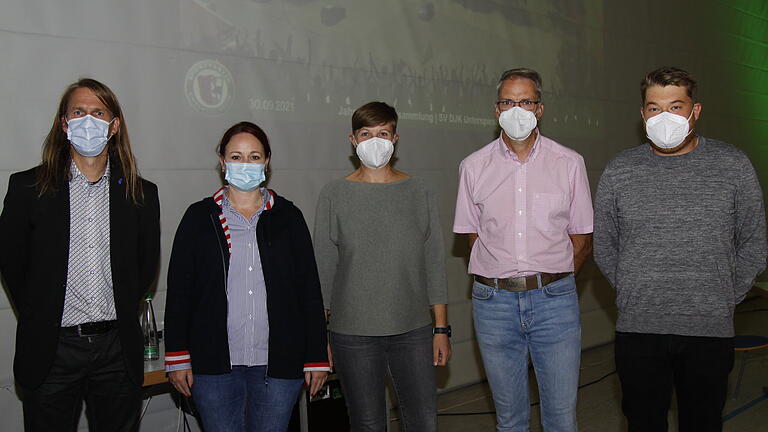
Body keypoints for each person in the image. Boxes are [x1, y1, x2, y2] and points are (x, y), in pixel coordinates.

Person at [593, 66, 767, 431]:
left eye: (675, 106)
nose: (664, 117)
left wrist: (724, 296)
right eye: (654, 108)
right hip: (640, 328)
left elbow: (754, 240)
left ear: (695, 110)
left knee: (703, 422)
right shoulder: (620, 170)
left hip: (709, 327)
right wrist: (631, 288)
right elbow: (605, 243)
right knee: (643, 422)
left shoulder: (732, 165)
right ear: (642, 114)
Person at [0, 78, 160, 431]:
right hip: (52, 349)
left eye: (99, 112)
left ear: (114, 125)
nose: (89, 120)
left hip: (117, 350)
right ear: (64, 123)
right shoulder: (27, 187)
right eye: (79, 111)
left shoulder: (141, 193)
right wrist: (42, 310)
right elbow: (12, 262)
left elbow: (145, 266)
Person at [164, 121, 330, 432]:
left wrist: (317, 356)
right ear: (222, 160)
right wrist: (177, 357)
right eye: (236, 156)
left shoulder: (289, 217)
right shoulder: (199, 218)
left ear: (266, 162)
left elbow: (308, 289)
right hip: (213, 366)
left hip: (278, 365)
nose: (245, 164)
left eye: (254, 157)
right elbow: (180, 293)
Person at [452, 68, 593, 431]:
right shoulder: (472, 166)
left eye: (526, 101)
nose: (517, 109)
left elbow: (582, 235)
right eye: (509, 101)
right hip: (492, 304)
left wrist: (555, 279)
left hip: (555, 302)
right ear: (496, 110)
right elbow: (473, 236)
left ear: (540, 108)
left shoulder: (569, 163)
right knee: (510, 419)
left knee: (561, 417)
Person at [313, 101, 451, 431]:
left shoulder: (419, 191)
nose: (375, 141)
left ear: (395, 138)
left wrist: (441, 328)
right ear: (352, 140)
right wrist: (320, 339)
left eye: (383, 133)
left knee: (423, 421)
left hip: (414, 330)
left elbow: (434, 261)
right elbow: (323, 268)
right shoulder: (334, 195)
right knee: (367, 423)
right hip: (352, 334)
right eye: (366, 134)